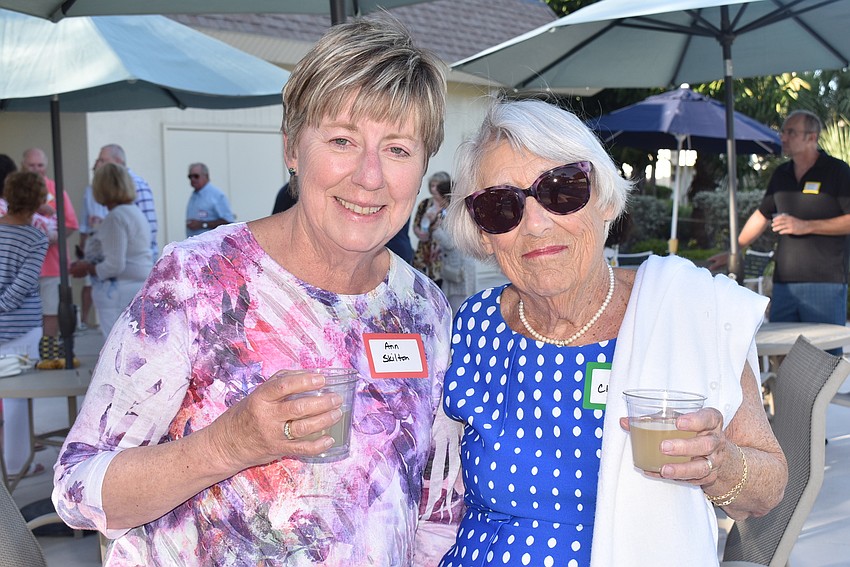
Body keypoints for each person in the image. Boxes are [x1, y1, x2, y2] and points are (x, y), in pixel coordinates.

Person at [53, 16, 461, 566]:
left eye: (398, 149)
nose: (370, 176)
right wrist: (229, 444)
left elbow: (435, 503)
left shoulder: (422, 309)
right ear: (292, 147)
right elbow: (76, 490)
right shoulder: (198, 281)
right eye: (342, 140)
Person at [438, 98, 787, 566]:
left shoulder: (683, 311)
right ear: (483, 233)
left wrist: (718, 464)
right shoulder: (474, 326)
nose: (536, 224)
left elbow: (767, 492)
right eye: (502, 207)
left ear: (603, 200)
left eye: (562, 190)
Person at [709, 110, 850, 353]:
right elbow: (761, 215)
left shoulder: (837, 171)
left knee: (825, 358)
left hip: (825, 282)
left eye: (790, 132)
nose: (783, 137)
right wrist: (734, 250)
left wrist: (804, 226)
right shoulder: (781, 174)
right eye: (782, 131)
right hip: (784, 283)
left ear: (811, 137)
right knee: (782, 353)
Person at [0, 171, 49, 480]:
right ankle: (18, 465)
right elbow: (23, 285)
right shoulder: (35, 238)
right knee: (18, 398)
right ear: (39, 200)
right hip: (22, 326)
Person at [69, 163, 153, 339]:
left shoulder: (116, 217)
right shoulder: (134, 212)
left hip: (118, 294)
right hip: (135, 286)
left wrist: (86, 268)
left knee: (116, 348)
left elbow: (114, 265)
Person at [21, 148, 78, 363]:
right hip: (22, 264)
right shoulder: (14, 189)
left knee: (52, 309)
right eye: (31, 165)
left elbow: (71, 225)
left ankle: (48, 353)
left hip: (52, 263)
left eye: (40, 165)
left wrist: (53, 234)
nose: (36, 170)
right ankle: (25, 353)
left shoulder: (55, 189)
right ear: (22, 165)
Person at [96, 144, 158, 259]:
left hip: (136, 263)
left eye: (103, 160)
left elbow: (150, 228)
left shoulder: (137, 184)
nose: (98, 165)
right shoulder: (110, 187)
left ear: (118, 161)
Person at [77, 170, 110, 332]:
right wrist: (82, 242)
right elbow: (84, 219)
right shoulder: (89, 190)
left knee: (107, 276)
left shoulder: (114, 191)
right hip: (93, 237)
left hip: (108, 237)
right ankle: (83, 319)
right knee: (89, 282)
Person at [430, 181, 466, 312]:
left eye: (437, 195)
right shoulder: (450, 212)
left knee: (456, 310)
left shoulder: (454, 215)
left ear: (444, 197)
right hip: (453, 269)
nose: (435, 198)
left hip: (457, 270)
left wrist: (435, 230)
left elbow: (450, 243)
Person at [413, 171, 451, 284]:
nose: (434, 189)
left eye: (437, 186)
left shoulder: (451, 205)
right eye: (432, 185)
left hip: (443, 256)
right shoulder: (425, 203)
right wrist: (422, 231)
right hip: (424, 253)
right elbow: (416, 225)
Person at [185, 162, 236, 237]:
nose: (192, 179)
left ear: (206, 176)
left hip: (211, 246)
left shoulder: (216, 195)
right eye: (190, 176)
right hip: (194, 245)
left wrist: (202, 224)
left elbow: (228, 222)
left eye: (196, 176)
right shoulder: (194, 195)